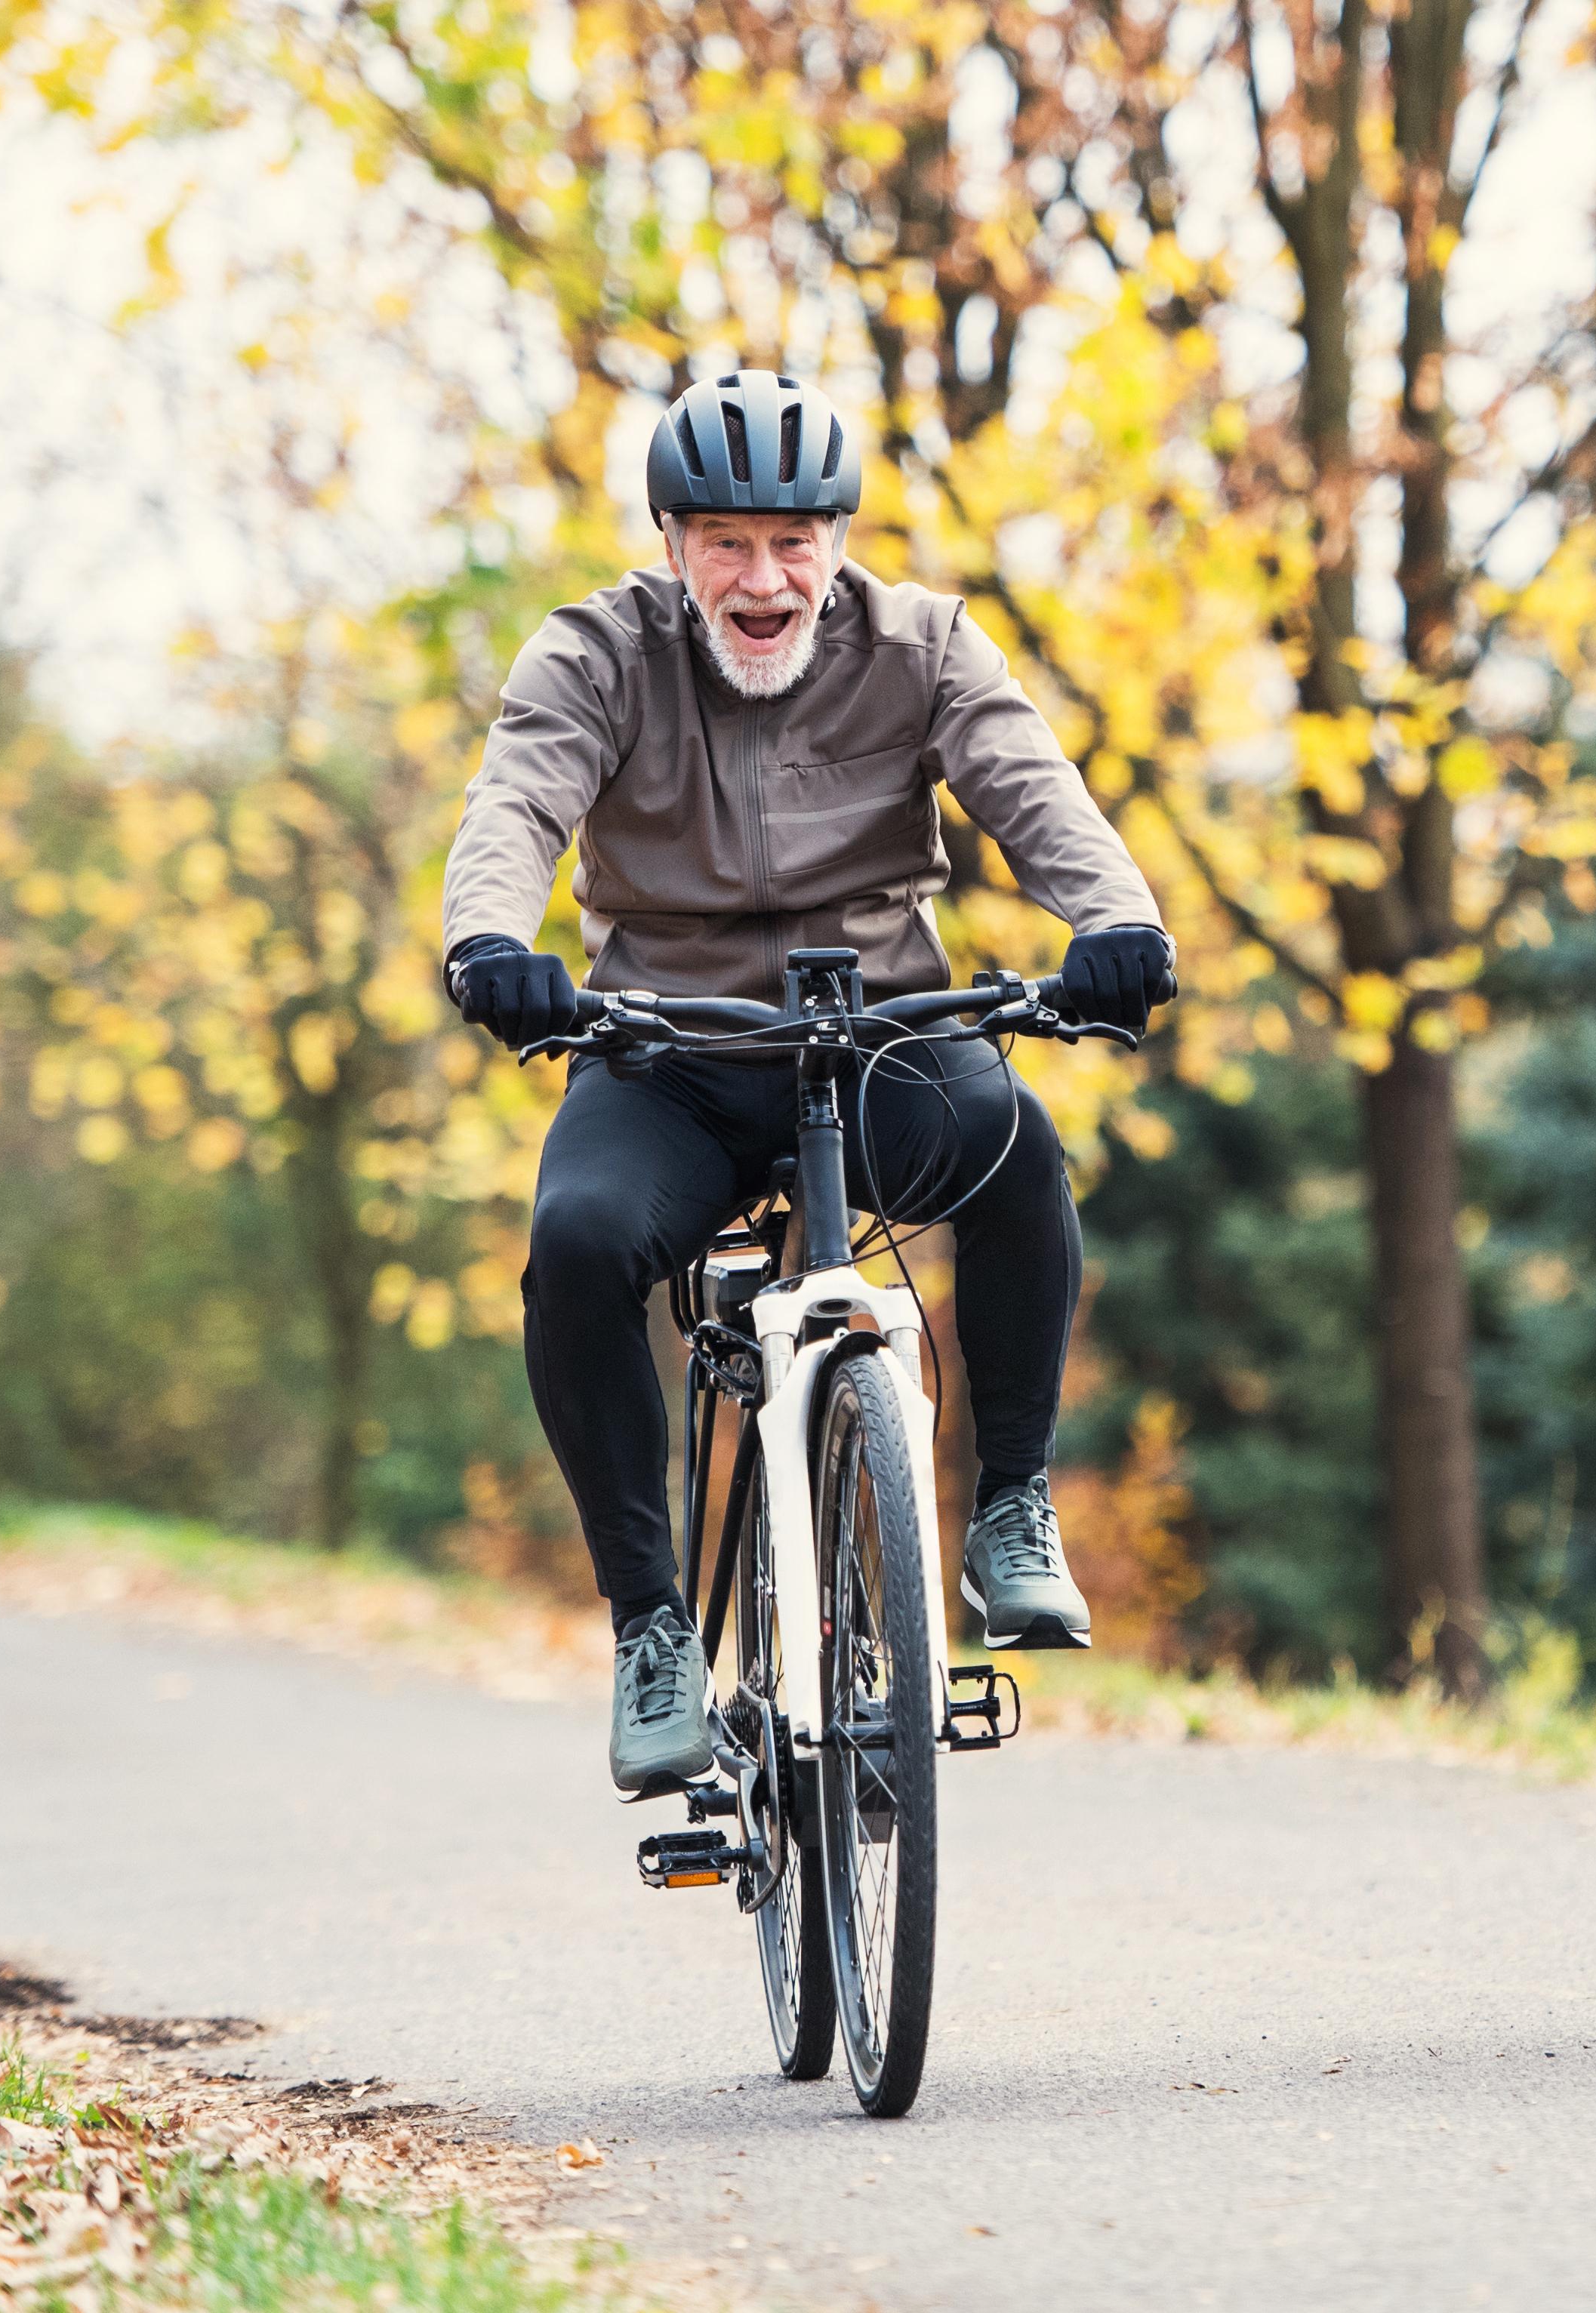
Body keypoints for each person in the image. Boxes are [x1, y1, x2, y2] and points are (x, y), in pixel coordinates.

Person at [441, 370, 1177, 1794]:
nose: (762, 577)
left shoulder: (924, 643)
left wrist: (1120, 923)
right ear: (669, 545)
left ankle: (1011, 1504)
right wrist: (488, 944)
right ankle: (651, 1629)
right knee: (578, 1246)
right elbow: (517, 800)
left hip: (880, 1036)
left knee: (1016, 1155)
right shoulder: (595, 653)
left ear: (839, 538)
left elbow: (1032, 788)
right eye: (723, 540)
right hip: (670, 1053)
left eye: (794, 541)